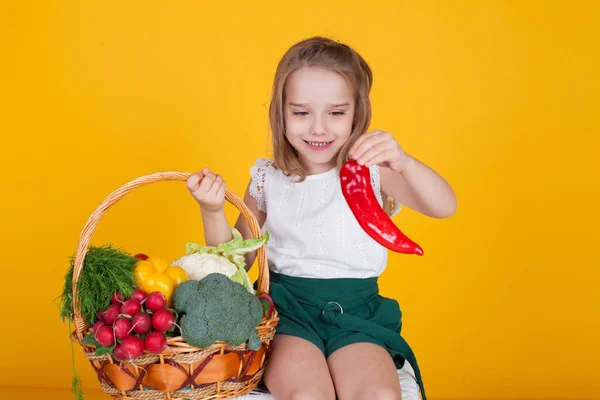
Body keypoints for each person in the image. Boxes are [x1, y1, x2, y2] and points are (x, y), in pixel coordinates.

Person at [186, 36, 456, 400]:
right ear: (280, 115)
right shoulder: (269, 178)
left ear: (357, 114)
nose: (318, 128)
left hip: (359, 316)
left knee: (379, 394)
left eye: (336, 112)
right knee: (307, 394)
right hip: (288, 316)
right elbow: (234, 263)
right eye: (301, 112)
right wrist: (212, 210)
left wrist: (404, 161)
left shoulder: (372, 171)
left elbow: (444, 206)